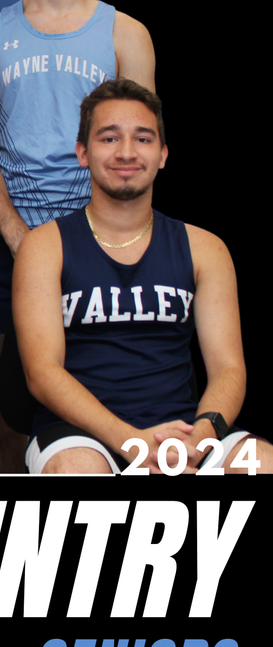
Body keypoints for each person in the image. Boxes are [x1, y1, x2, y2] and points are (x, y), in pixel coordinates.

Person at [0, 0, 156, 473]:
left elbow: (139, 150)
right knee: (1, 425)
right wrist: (24, 241)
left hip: (98, 246)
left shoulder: (127, 34)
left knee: (110, 415)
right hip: (3, 244)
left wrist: (98, 245)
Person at [13, 78, 270, 474]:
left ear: (163, 154)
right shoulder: (44, 246)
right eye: (109, 138)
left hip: (183, 431)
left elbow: (229, 369)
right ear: (82, 152)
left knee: (263, 463)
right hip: (80, 435)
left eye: (144, 139)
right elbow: (42, 372)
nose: (127, 153)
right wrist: (130, 441)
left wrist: (199, 439)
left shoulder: (206, 248)